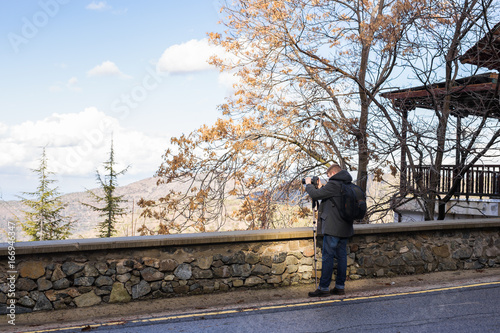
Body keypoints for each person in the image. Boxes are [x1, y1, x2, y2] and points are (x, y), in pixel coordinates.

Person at [304, 164, 354, 297]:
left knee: (328, 257)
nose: (328, 178)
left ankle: (324, 288)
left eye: (328, 176)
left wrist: (309, 184)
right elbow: (332, 198)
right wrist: (322, 188)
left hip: (333, 227)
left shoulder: (334, 184)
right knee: (342, 256)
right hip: (345, 227)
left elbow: (314, 194)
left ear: (332, 173)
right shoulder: (347, 184)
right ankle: (339, 287)